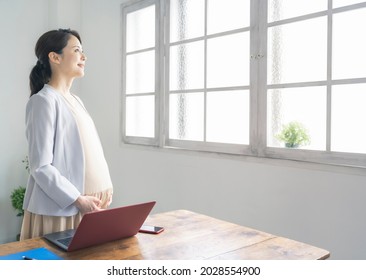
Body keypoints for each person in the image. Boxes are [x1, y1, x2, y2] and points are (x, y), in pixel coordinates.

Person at [20, 29, 113, 240]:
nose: (84, 56)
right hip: (63, 210)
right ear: (55, 57)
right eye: (77, 50)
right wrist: (78, 199)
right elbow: (41, 166)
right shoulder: (43, 101)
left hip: (88, 209)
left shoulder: (76, 100)